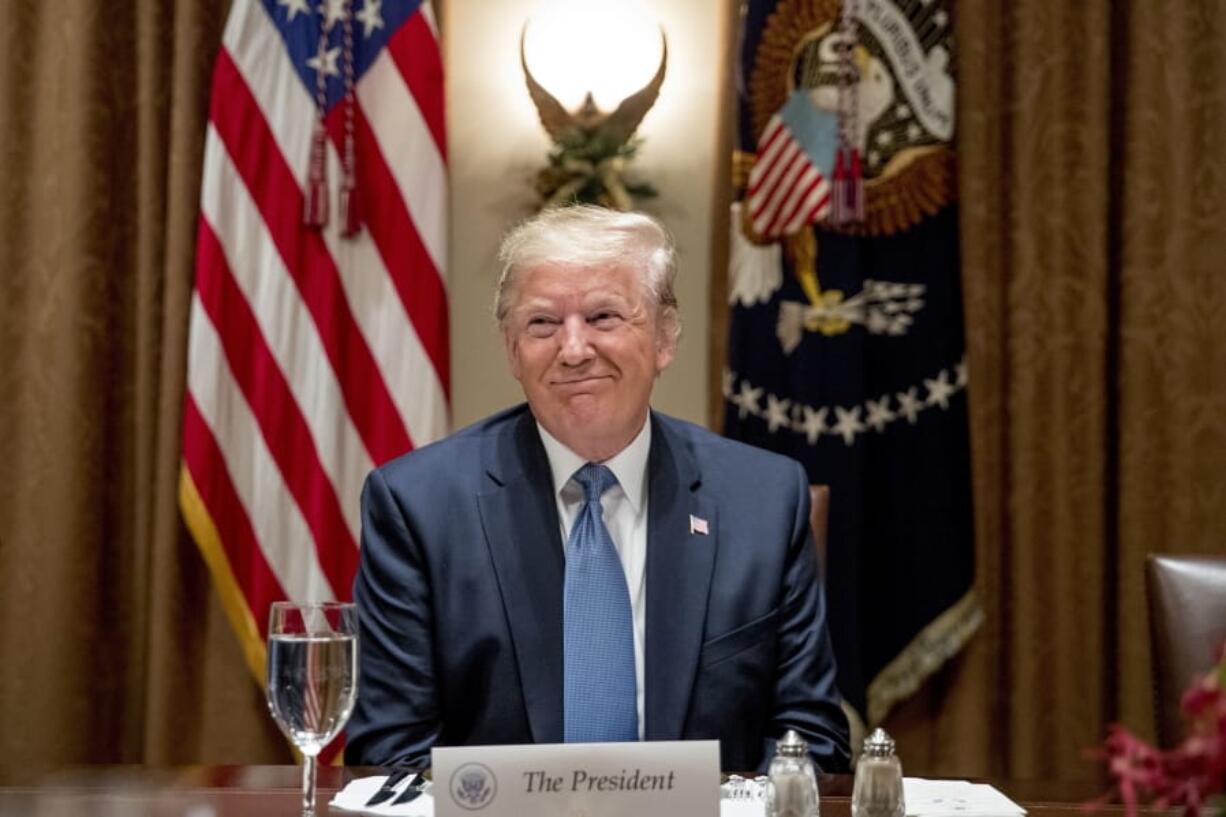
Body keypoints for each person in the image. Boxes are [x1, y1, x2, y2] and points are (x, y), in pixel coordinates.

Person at [345, 205, 851, 772]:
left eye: (605, 317)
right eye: (542, 324)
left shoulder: (763, 499)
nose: (575, 349)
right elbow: (389, 753)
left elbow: (809, 740)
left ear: (664, 338)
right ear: (512, 349)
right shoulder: (417, 506)